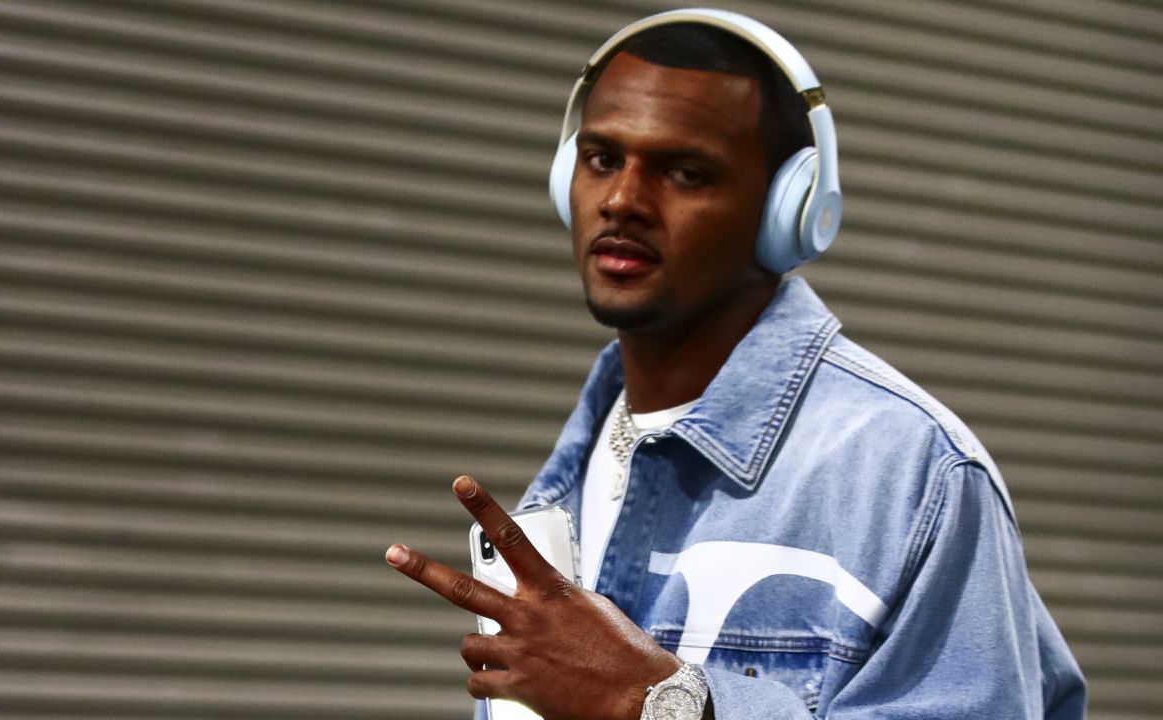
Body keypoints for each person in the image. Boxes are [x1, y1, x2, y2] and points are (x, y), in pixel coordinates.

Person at [385, 9, 1087, 719]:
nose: (623, 200)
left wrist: (664, 705)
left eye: (685, 173)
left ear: (792, 211)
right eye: (601, 159)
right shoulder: (558, 490)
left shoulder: (910, 475)